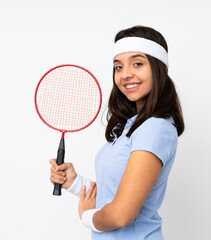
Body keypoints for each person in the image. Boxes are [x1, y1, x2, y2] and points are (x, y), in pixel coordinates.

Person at [50, 25, 184, 240]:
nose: (126, 75)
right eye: (118, 67)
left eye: (137, 64)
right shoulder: (132, 126)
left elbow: (120, 216)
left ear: (161, 69)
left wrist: (87, 217)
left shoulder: (155, 128)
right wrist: (75, 183)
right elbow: (115, 194)